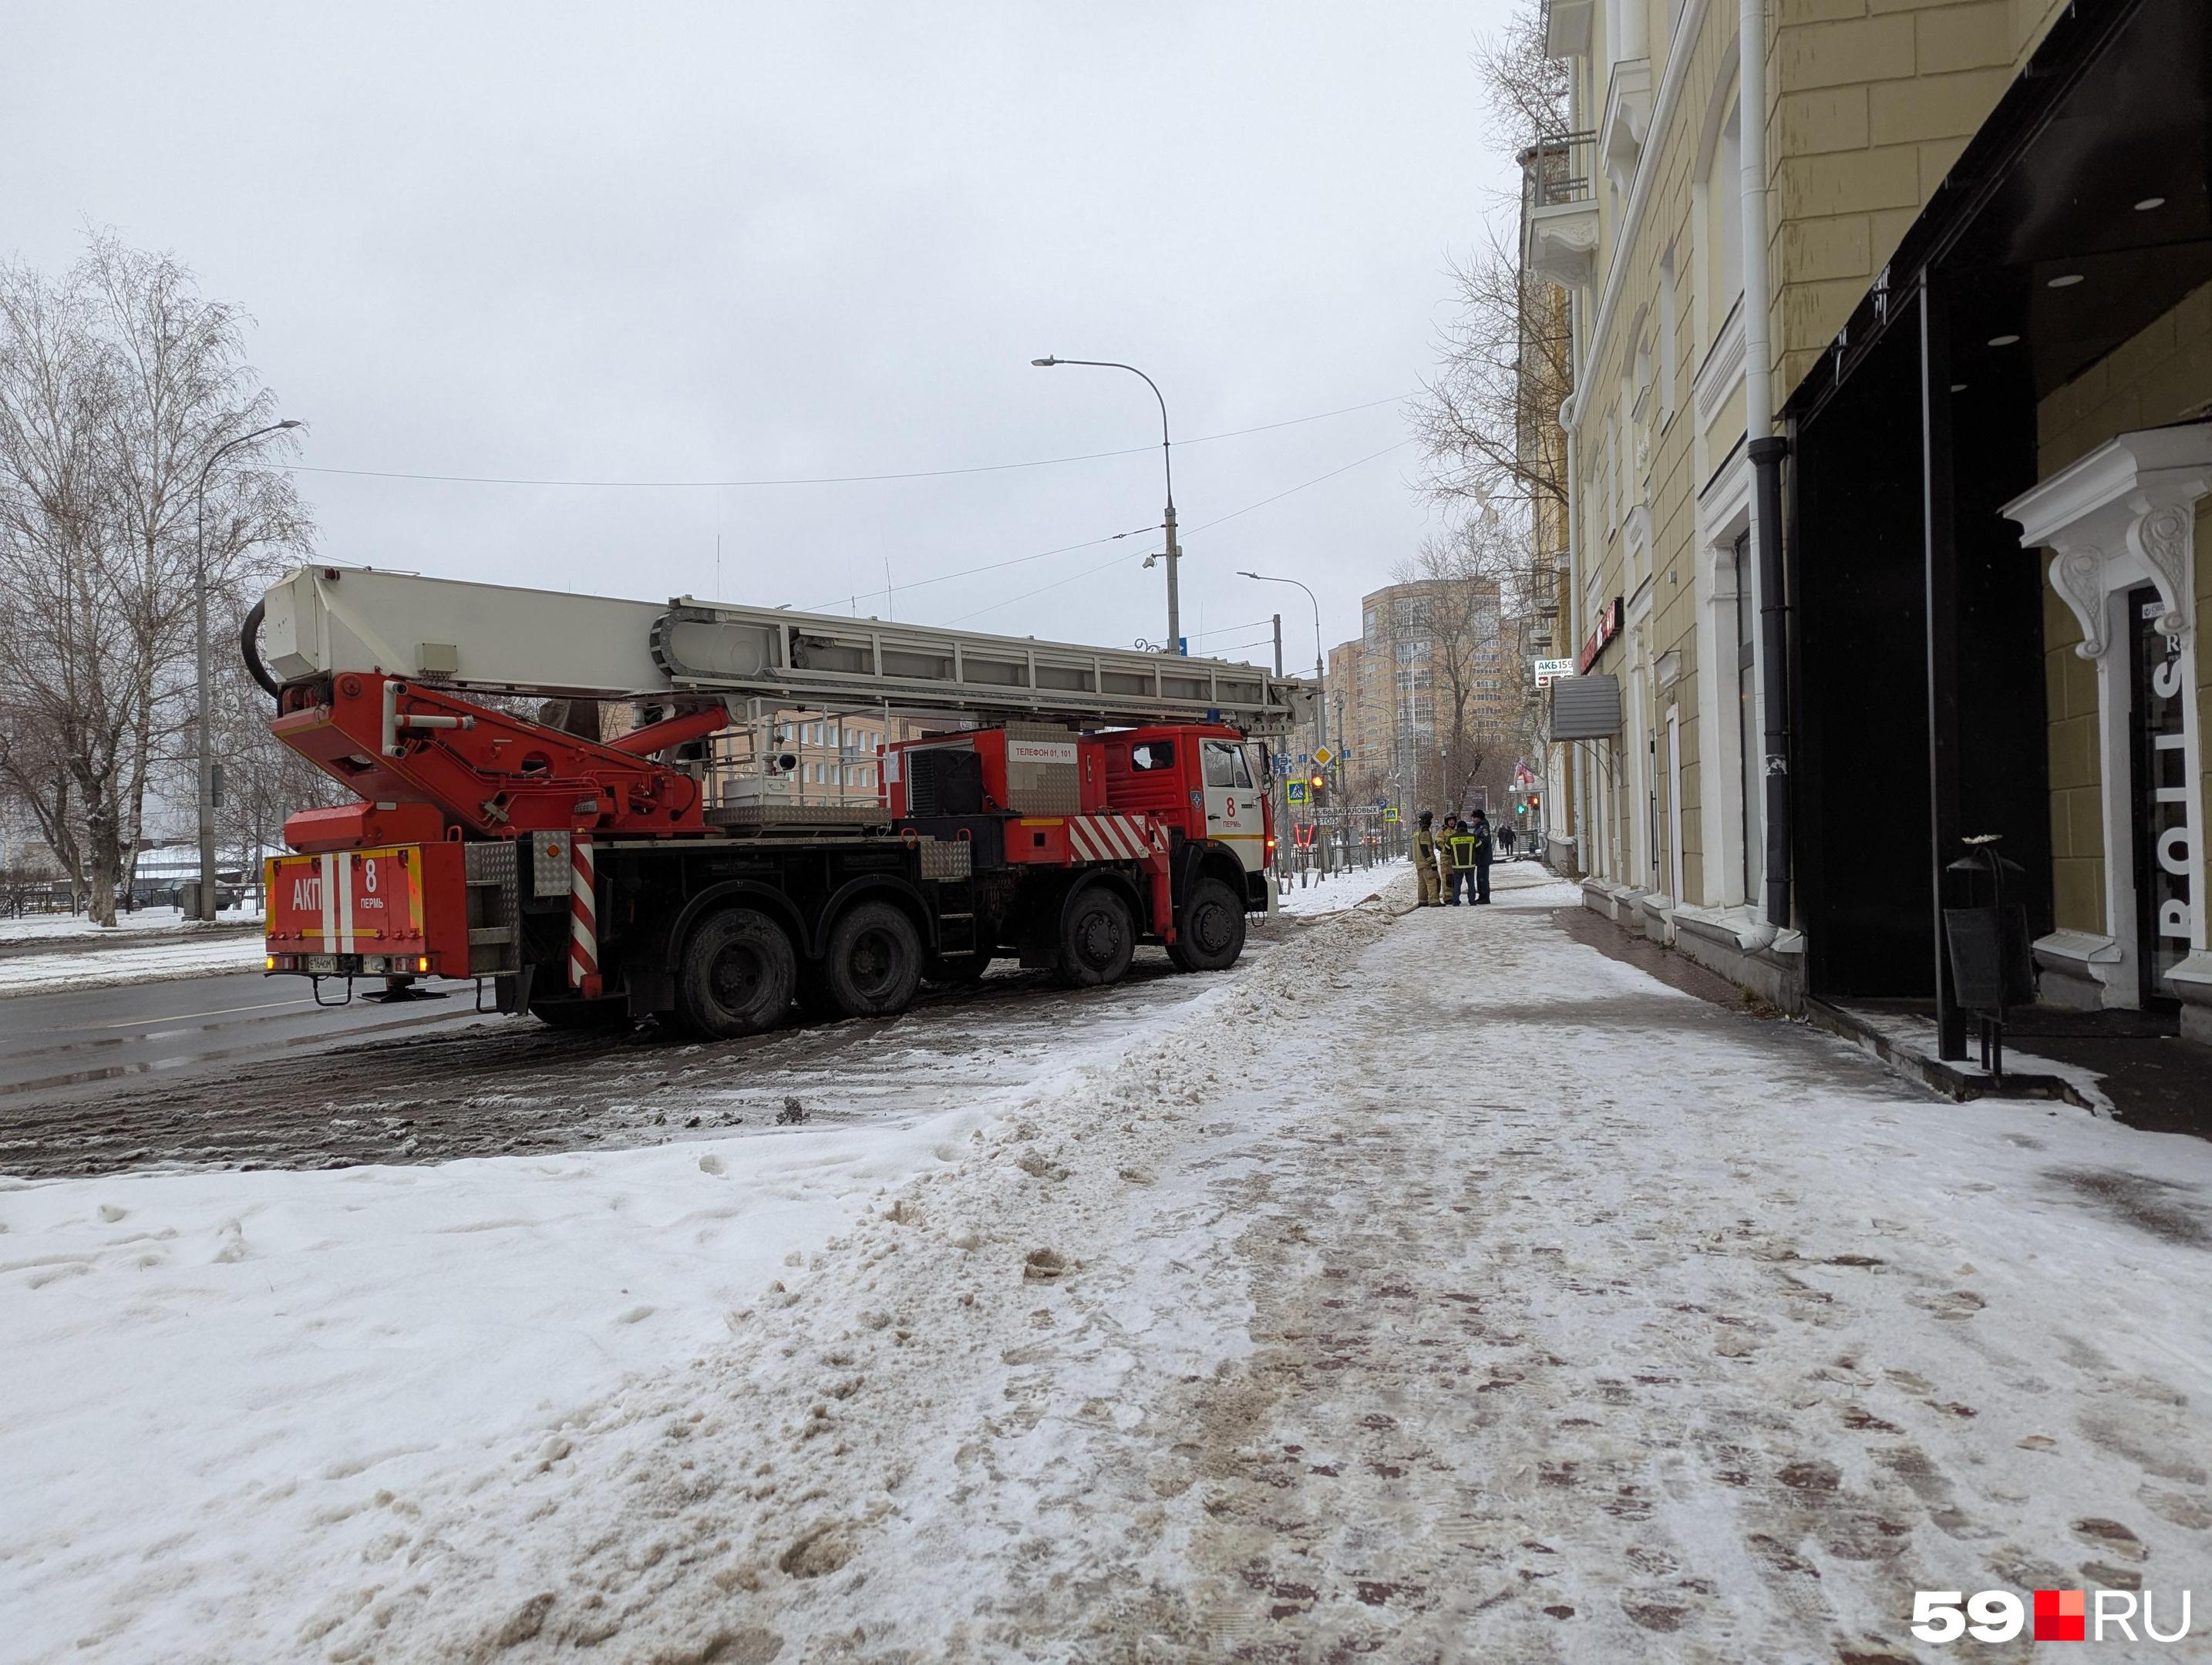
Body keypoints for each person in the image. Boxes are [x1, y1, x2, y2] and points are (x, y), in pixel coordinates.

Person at [1410, 812, 1441, 907]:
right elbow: (1425, 847)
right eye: (1430, 819)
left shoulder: (1417, 830)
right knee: (1432, 881)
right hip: (1426, 862)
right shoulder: (1425, 831)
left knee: (1422, 883)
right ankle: (1434, 901)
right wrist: (1432, 861)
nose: (1431, 822)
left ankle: (1422, 900)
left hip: (1419, 862)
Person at [1446, 816, 1476, 905]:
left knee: (1457, 884)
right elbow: (1480, 847)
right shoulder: (1472, 837)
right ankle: (1472, 900)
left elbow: (1447, 849)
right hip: (1470, 865)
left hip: (1457, 865)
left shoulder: (1452, 838)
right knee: (1471, 883)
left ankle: (1456, 901)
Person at [1469, 809, 1495, 903]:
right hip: (1480, 857)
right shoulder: (1478, 827)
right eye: (1472, 817)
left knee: (1483, 878)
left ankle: (1485, 897)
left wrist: (1475, 844)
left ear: (1480, 817)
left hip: (1483, 857)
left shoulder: (1483, 828)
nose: (1473, 819)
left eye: (1475, 817)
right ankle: (1481, 896)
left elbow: (1485, 841)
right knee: (1479, 877)